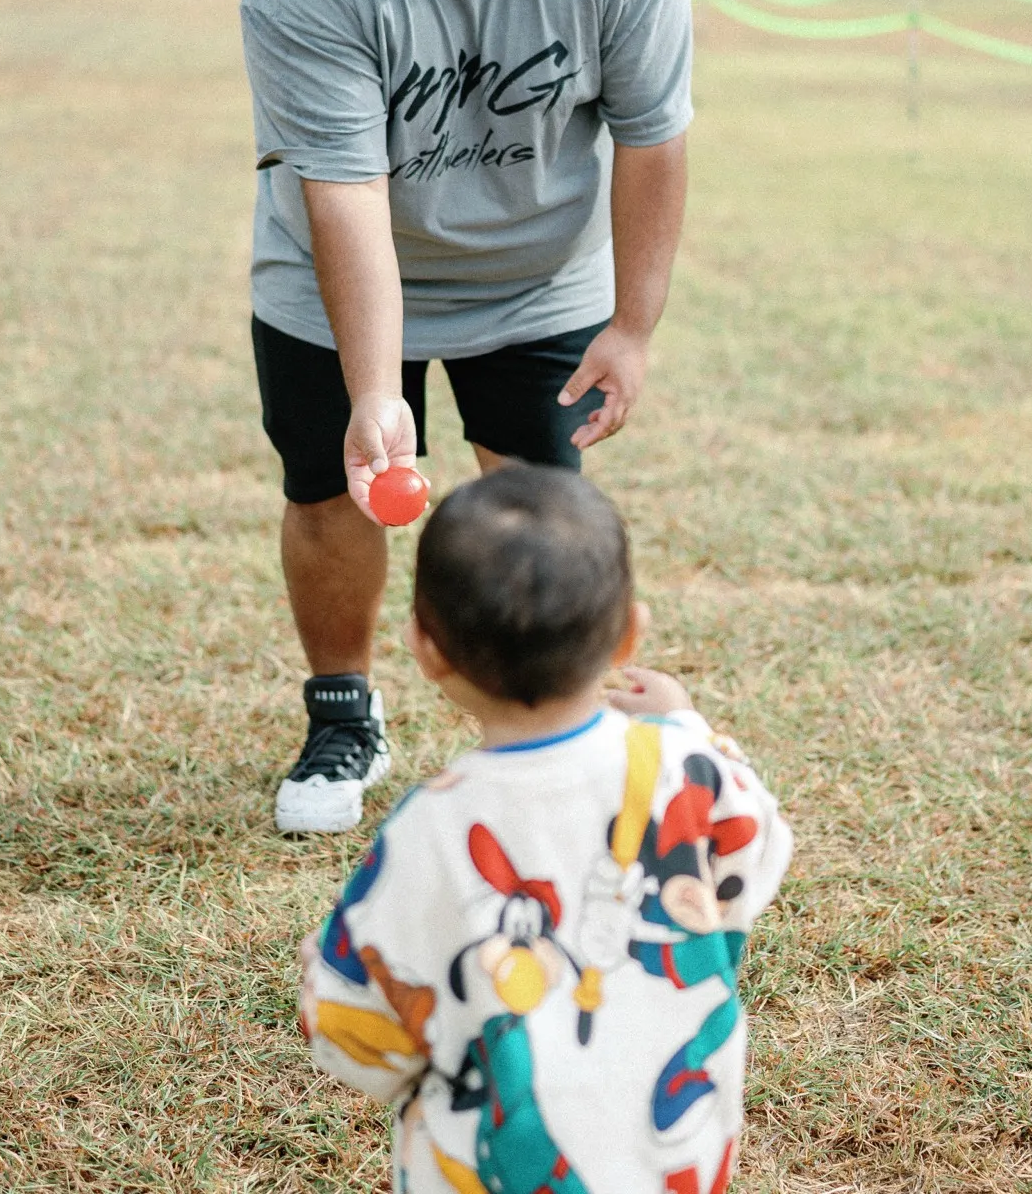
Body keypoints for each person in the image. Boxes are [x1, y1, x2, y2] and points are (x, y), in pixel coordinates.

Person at [241, 0, 693, 833]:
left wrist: (632, 327)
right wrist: (373, 393)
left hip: (538, 275)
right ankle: (344, 716)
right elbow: (343, 189)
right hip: (333, 267)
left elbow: (654, 133)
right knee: (330, 488)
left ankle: (564, 733)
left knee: (544, 512)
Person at [298, 466, 792, 1194]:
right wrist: (685, 725)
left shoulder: (431, 828)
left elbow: (353, 1026)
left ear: (426, 647)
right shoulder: (683, 767)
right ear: (630, 634)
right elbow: (762, 858)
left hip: (487, 1168)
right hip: (673, 1155)